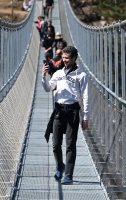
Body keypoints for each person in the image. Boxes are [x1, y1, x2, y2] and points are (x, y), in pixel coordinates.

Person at [42, 46, 89, 185]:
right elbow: (47, 88)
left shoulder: (81, 75)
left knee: (70, 144)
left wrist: (85, 117)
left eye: (67, 58)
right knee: (56, 144)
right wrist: (43, 76)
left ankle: (68, 175)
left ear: (74, 58)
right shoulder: (58, 73)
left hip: (73, 111)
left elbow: (86, 97)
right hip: (59, 111)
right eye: (63, 57)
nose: (64, 60)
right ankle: (60, 166)